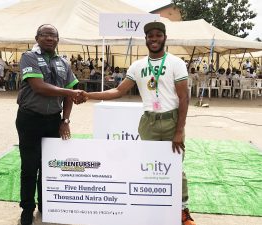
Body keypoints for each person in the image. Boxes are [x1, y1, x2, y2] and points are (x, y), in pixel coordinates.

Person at [80, 21, 196, 225]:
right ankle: (152, 206)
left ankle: (182, 210)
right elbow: (118, 91)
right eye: (150, 36)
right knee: (150, 166)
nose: (154, 39)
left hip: (171, 120)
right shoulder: (138, 66)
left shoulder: (176, 63)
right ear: (146, 39)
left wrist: (179, 130)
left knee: (175, 166)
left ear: (164, 38)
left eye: (158, 35)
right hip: (148, 122)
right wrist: (88, 94)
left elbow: (184, 98)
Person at [16, 24, 85, 225]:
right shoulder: (29, 57)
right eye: (44, 35)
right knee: (30, 166)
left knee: (48, 166)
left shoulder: (64, 61)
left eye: (53, 35)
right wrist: (70, 92)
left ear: (57, 39)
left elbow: (70, 91)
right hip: (30, 119)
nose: (49, 38)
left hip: (53, 121)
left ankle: (45, 204)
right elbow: (38, 87)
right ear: (37, 38)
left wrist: (65, 120)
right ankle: (27, 209)